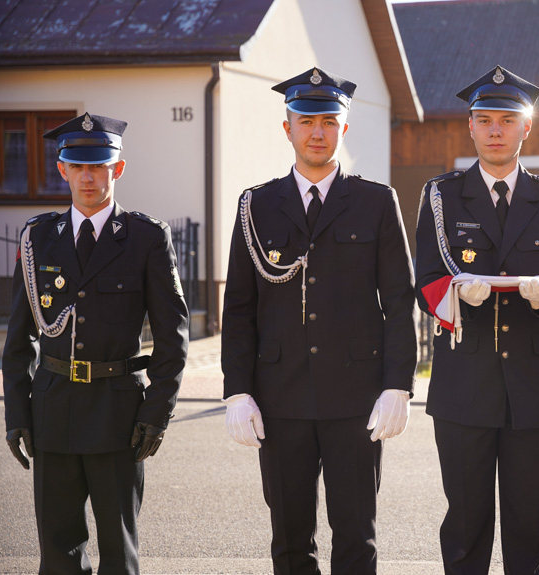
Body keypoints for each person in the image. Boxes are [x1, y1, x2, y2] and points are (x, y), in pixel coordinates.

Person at [221, 67, 417, 575]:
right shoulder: (256, 206)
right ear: (286, 128)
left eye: (329, 121)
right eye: (306, 121)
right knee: (289, 540)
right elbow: (239, 308)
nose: (317, 132)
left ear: (344, 129)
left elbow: (399, 301)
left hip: (356, 400)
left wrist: (398, 385)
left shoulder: (376, 202)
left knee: (355, 538)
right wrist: (236, 389)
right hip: (279, 397)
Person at [1, 112, 189, 575]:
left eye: (99, 166)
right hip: (53, 410)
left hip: (118, 414)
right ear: (61, 169)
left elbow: (173, 336)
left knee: (119, 558)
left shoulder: (146, 237)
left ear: (117, 169)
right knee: (58, 556)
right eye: (78, 166)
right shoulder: (38, 238)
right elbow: (19, 334)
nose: (89, 177)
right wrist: (16, 412)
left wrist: (156, 413)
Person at [415, 65, 539, 574]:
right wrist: (454, 292)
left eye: (506, 120)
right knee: (465, 529)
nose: (495, 130)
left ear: (526, 128)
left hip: (533, 384)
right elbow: (425, 281)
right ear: (469, 126)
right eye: (484, 119)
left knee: (530, 528)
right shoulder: (441, 195)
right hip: (464, 383)